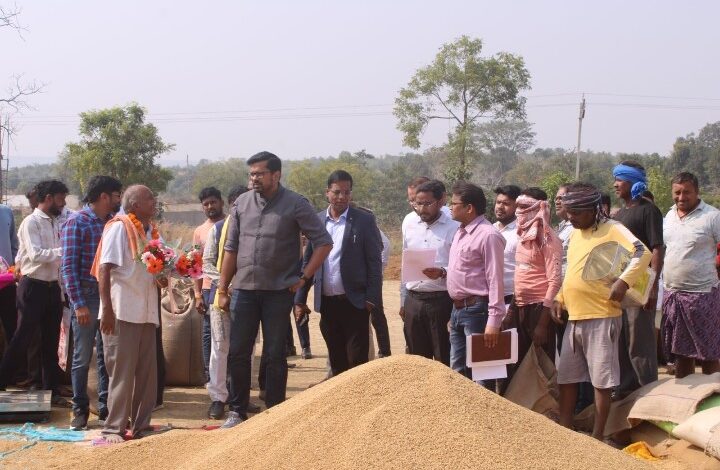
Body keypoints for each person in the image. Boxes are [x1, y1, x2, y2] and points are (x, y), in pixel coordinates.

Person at [218, 151, 332, 428]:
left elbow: (323, 242)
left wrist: (303, 277)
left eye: (259, 173)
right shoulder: (241, 203)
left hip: (278, 292)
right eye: (251, 174)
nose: (254, 178)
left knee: (275, 354)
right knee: (238, 352)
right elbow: (231, 249)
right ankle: (237, 411)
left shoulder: (296, 203)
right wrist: (222, 288)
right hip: (243, 291)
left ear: (276, 175)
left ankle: (275, 412)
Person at [553, 183, 651, 440]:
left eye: (576, 213)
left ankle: (598, 436)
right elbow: (572, 270)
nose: (571, 218)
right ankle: (564, 430)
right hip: (575, 316)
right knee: (567, 378)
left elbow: (643, 252)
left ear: (592, 210)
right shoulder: (576, 234)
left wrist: (624, 282)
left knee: (601, 381)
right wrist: (560, 297)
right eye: (569, 213)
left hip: (602, 315)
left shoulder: (613, 228)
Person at [94, 185, 166, 443]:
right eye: (149, 198)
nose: (154, 201)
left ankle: (141, 425)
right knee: (121, 374)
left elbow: (155, 269)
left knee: (148, 375)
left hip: (147, 312)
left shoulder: (152, 231)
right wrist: (107, 310)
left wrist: (163, 277)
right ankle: (113, 428)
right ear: (135, 205)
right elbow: (104, 269)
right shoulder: (119, 227)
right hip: (122, 310)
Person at [295, 170, 382, 376]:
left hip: (356, 303)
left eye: (346, 192)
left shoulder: (364, 221)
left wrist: (371, 299)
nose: (341, 197)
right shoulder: (317, 221)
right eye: (336, 192)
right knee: (336, 361)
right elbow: (308, 262)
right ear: (327, 192)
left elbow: (374, 263)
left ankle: (359, 397)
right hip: (327, 304)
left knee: (357, 361)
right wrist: (300, 299)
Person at [61, 176, 122, 430]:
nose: (119, 200)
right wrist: (78, 304)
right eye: (116, 195)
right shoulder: (77, 222)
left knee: (107, 355)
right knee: (82, 357)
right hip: (86, 297)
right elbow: (68, 267)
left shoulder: (113, 222)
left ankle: (106, 407)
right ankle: (80, 409)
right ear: (104, 196)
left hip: (109, 296)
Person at [0, 180, 68, 405]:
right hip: (33, 287)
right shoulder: (31, 222)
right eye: (60, 198)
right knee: (23, 338)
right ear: (48, 198)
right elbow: (36, 254)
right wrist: (66, 251)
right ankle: (2, 382)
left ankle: (52, 391)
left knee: (51, 342)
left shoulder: (56, 222)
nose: (63, 203)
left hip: (52, 288)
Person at [201, 185, 254, 419]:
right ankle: (218, 398)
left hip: (250, 297)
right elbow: (207, 263)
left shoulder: (257, 228)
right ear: (232, 206)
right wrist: (227, 285)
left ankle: (240, 397)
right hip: (221, 298)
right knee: (220, 347)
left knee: (246, 349)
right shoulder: (218, 229)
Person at [611, 161, 663, 398]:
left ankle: (646, 393)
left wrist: (652, 287)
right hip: (621, 285)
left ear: (632, 181)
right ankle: (625, 392)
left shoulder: (648, 210)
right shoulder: (621, 214)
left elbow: (657, 248)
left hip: (641, 286)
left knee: (639, 344)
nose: (615, 184)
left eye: (619, 179)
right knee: (622, 342)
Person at [662, 172, 720, 378]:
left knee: (709, 353)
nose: (681, 197)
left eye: (687, 192)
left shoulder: (712, 216)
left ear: (697, 192)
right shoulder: (669, 216)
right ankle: (686, 395)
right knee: (681, 352)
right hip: (673, 295)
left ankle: (713, 393)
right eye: (677, 192)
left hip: (703, 295)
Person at [503, 187, 562, 390]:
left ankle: (545, 406)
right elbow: (520, 277)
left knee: (542, 365)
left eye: (525, 207)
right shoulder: (523, 236)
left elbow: (554, 281)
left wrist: (543, 324)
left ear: (539, 208)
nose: (519, 211)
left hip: (539, 308)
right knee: (517, 363)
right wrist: (511, 311)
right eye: (518, 206)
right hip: (520, 305)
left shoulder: (548, 239)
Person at [446, 181, 505, 384]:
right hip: (458, 310)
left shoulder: (488, 235)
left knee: (482, 375)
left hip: (477, 311)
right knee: (457, 373)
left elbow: (495, 279)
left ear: (469, 208)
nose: (450, 207)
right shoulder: (460, 232)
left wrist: (493, 322)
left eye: (454, 203)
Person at [401, 180, 459, 365]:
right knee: (417, 361)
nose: (421, 209)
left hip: (442, 302)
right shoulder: (409, 222)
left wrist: (443, 272)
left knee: (444, 358)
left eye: (427, 204)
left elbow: (462, 265)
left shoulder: (455, 226)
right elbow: (405, 259)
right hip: (413, 300)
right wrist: (403, 301)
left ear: (441, 201)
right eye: (418, 203)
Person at [192, 187, 226, 383]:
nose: (210, 206)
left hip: (230, 287)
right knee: (208, 332)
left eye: (213, 202)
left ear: (221, 202)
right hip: (207, 289)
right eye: (206, 204)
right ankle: (209, 374)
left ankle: (228, 375)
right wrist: (197, 295)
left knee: (227, 334)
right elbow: (195, 264)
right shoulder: (199, 231)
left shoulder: (231, 225)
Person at [492, 185, 521, 307]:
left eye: (506, 203)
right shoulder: (491, 229)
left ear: (517, 206)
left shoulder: (521, 232)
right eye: (498, 202)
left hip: (511, 301)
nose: (500, 207)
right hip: (488, 300)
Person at [0, 202, 19, 346]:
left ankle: (12, 360)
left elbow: (14, 245)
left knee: (11, 327)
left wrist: (12, 268)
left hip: (6, 282)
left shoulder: (6, 211)